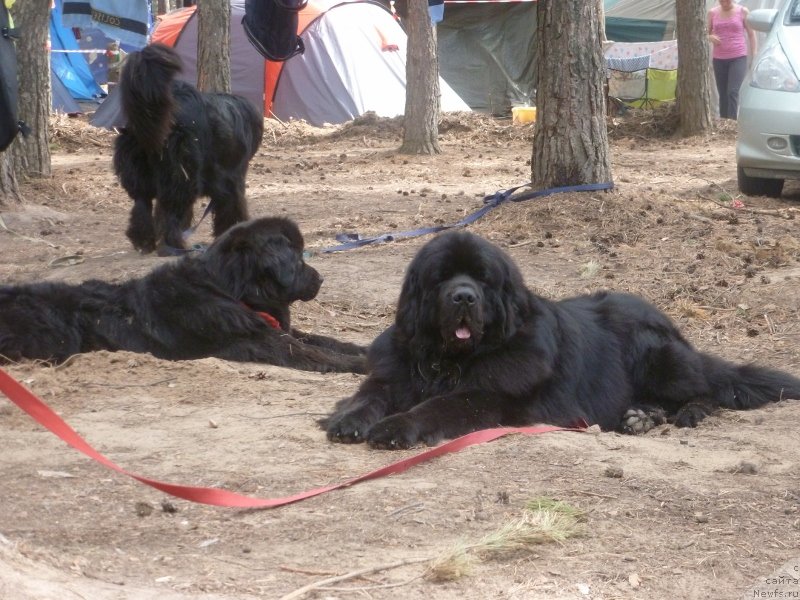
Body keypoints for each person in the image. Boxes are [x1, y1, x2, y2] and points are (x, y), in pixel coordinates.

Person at [708, 0, 757, 120]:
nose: (724, 2)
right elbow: (705, 32)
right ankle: (723, 122)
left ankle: (732, 123)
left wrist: (754, 53)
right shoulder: (712, 13)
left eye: (727, 0)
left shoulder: (742, 11)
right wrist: (710, 37)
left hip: (738, 57)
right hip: (719, 58)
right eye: (721, 0)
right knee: (723, 93)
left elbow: (752, 34)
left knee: (733, 91)